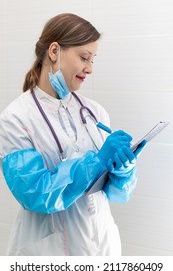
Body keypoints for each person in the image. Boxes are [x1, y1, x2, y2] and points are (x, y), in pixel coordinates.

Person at [0, 13, 146, 256]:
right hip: (49, 253)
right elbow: (35, 193)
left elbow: (116, 194)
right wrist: (96, 163)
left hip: (102, 247)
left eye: (93, 60)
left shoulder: (95, 112)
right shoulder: (15, 119)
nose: (90, 68)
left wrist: (123, 169)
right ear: (54, 51)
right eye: (84, 57)